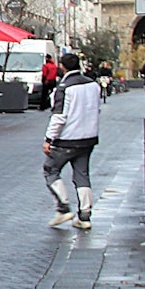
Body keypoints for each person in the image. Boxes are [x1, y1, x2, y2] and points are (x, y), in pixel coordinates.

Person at [44, 52, 101, 230]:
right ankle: (85, 216)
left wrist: (48, 139)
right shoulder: (93, 85)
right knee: (82, 175)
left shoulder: (64, 88)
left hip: (67, 139)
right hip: (88, 138)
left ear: (63, 67)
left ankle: (63, 208)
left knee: (50, 169)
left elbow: (59, 116)